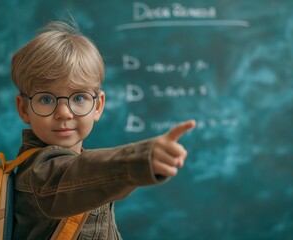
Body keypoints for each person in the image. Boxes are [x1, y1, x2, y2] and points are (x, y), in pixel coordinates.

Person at [11, 20, 195, 239]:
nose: (64, 113)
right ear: (23, 109)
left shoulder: (82, 162)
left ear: (98, 106)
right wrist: (141, 158)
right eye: (46, 99)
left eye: (79, 97)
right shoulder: (38, 174)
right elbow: (76, 174)